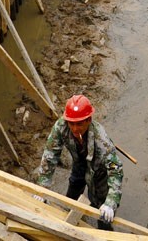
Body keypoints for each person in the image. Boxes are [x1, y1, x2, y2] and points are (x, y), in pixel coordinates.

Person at [34, 95, 123, 231]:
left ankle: (104, 231)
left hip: (99, 171)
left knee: (101, 206)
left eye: (79, 124)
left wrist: (111, 202)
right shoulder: (61, 127)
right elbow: (50, 156)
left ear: (88, 120)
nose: (75, 129)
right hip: (79, 163)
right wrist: (43, 187)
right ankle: (67, 216)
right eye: (72, 123)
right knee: (73, 189)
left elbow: (115, 170)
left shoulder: (102, 141)